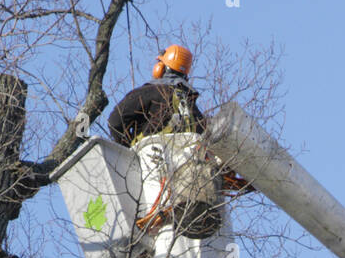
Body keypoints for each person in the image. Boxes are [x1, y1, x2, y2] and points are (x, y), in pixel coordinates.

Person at [107, 45, 253, 194]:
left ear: (161, 68)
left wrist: (126, 150)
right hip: (191, 183)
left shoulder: (148, 92)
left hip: (152, 170)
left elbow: (115, 121)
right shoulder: (192, 110)